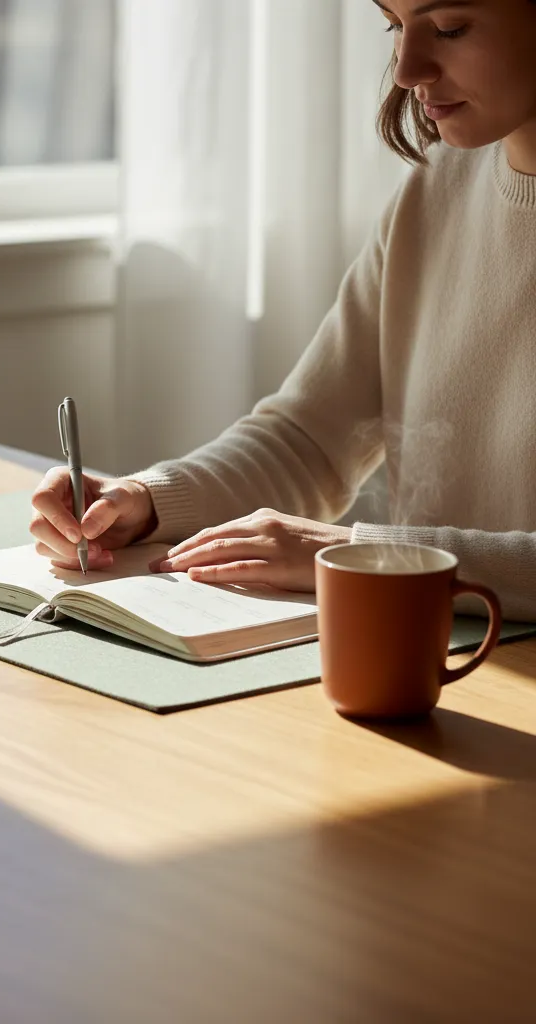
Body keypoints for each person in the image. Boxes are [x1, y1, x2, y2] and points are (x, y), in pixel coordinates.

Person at [30, 0, 536, 620]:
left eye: (449, 29)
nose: (405, 70)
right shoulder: (436, 187)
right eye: (395, 28)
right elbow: (308, 440)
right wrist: (147, 502)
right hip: (422, 648)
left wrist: (365, 553)